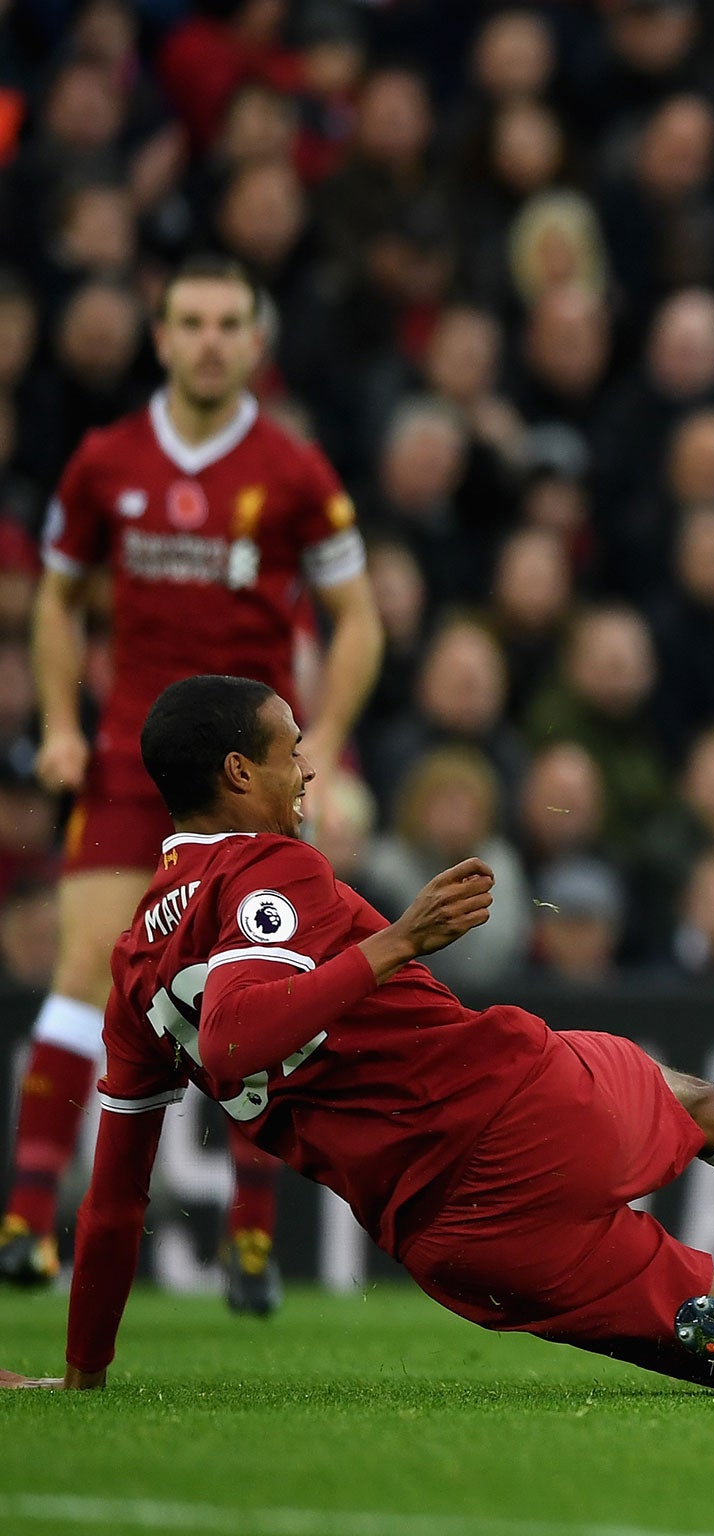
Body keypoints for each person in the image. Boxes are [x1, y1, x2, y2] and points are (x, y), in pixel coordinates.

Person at [1, 676, 714, 1398]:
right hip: (521, 1111)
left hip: (451, 1238)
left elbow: (116, 1197)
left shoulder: (134, 976)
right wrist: (397, 942)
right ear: (238, 775)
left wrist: (84, 1374)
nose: (308, 772)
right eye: (291, 752)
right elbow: (240, 1036)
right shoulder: (269, 869)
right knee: (700, 1104)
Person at [0, 256, 383, 1317]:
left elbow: (359, 619)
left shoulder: (297, 472)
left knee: (253, 980)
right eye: (191, 322)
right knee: (87, 959)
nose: (210, 340)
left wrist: (329, 746)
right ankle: (28, 1222)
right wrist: (64, 725)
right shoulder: (103, 462)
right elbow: (56, 600)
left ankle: (251, 1240)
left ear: (255, 343)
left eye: (229, 323)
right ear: (159, 338)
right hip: (130, 755)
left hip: (251, 769)